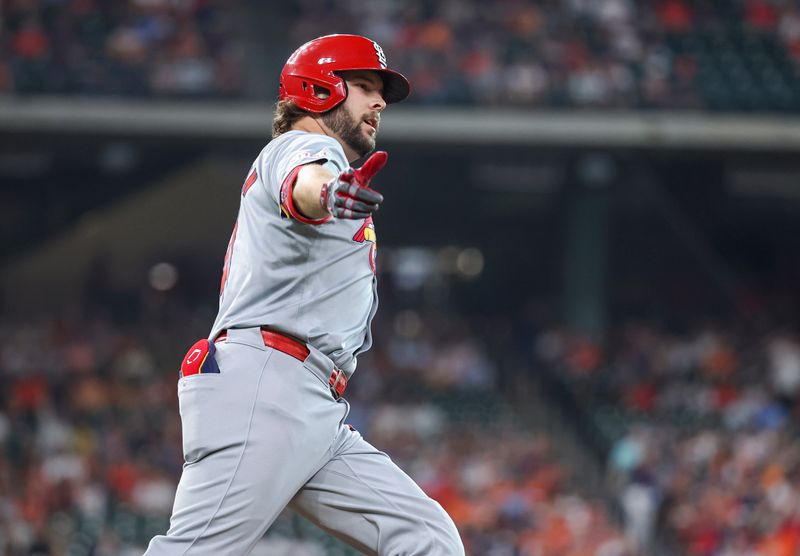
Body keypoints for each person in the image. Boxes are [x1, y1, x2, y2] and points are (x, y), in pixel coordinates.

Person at [145, 34, 465, 555]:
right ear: (319, 89)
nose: (379, 102)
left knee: (428, 538)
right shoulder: (303, 147)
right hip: (266, 383)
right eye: (364, 86)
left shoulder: (315, 153)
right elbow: (304, 185)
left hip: (311, 402)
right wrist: (329, 193)